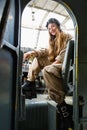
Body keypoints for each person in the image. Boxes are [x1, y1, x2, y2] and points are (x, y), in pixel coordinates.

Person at [22, 18, 73, 130]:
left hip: (64, 65)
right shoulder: (52, 40)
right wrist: (33, 52)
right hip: (56, 63)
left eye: (53, 26)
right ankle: (30, 83)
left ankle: (63, 107)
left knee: (47, 70)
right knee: (39, 57)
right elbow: (45, 51)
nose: (51, 29)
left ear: (58, 26)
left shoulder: (67, 37)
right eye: (49, 28)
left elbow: (63, 56)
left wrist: (51, 64)